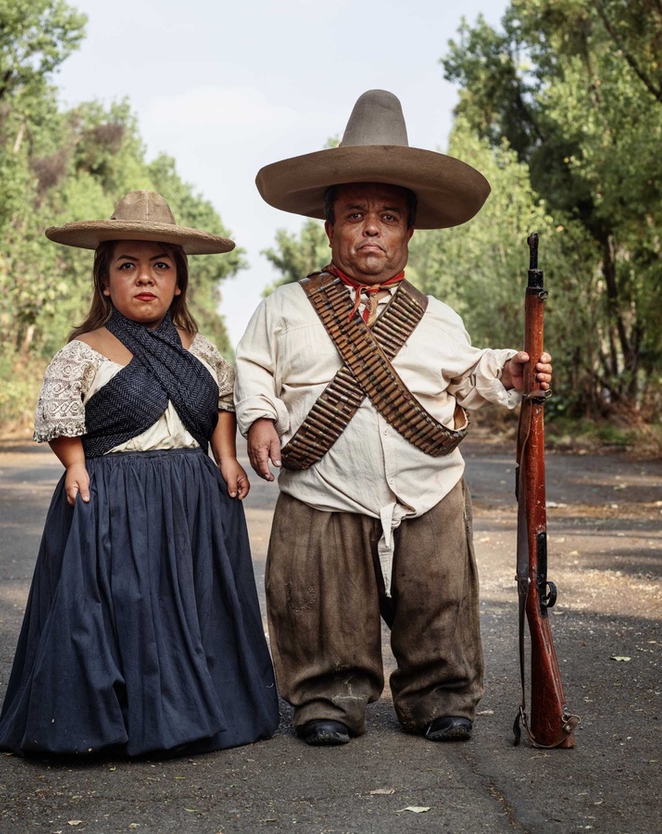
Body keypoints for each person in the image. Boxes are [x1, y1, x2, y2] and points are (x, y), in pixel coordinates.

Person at [234, 90, 553, 747]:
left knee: (439, 594)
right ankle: (326, 695)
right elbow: (255, 371)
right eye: (355, 214)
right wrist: (259, 421)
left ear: (410, 230)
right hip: (322, 482)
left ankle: (438, 695)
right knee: (319, 600)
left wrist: (510, 373)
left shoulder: (437, 317)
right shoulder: (284, 307)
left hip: (425, 481)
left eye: (387, 216)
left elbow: (468, 370)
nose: (371, 228)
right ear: (329, 227)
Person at [0, 190, 279, 758]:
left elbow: (222, 403)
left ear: (179, 283)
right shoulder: (84, 351)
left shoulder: (203, 350)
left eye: (160, 266)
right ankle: (110, 722)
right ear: (104, 282)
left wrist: (226, 457)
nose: (144, 278)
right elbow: (61, 412)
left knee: (191, 607)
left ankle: (196, 713)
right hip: (113, 497)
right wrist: (74, 464)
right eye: (128, 266)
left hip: (193, 498)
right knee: (121, 604)